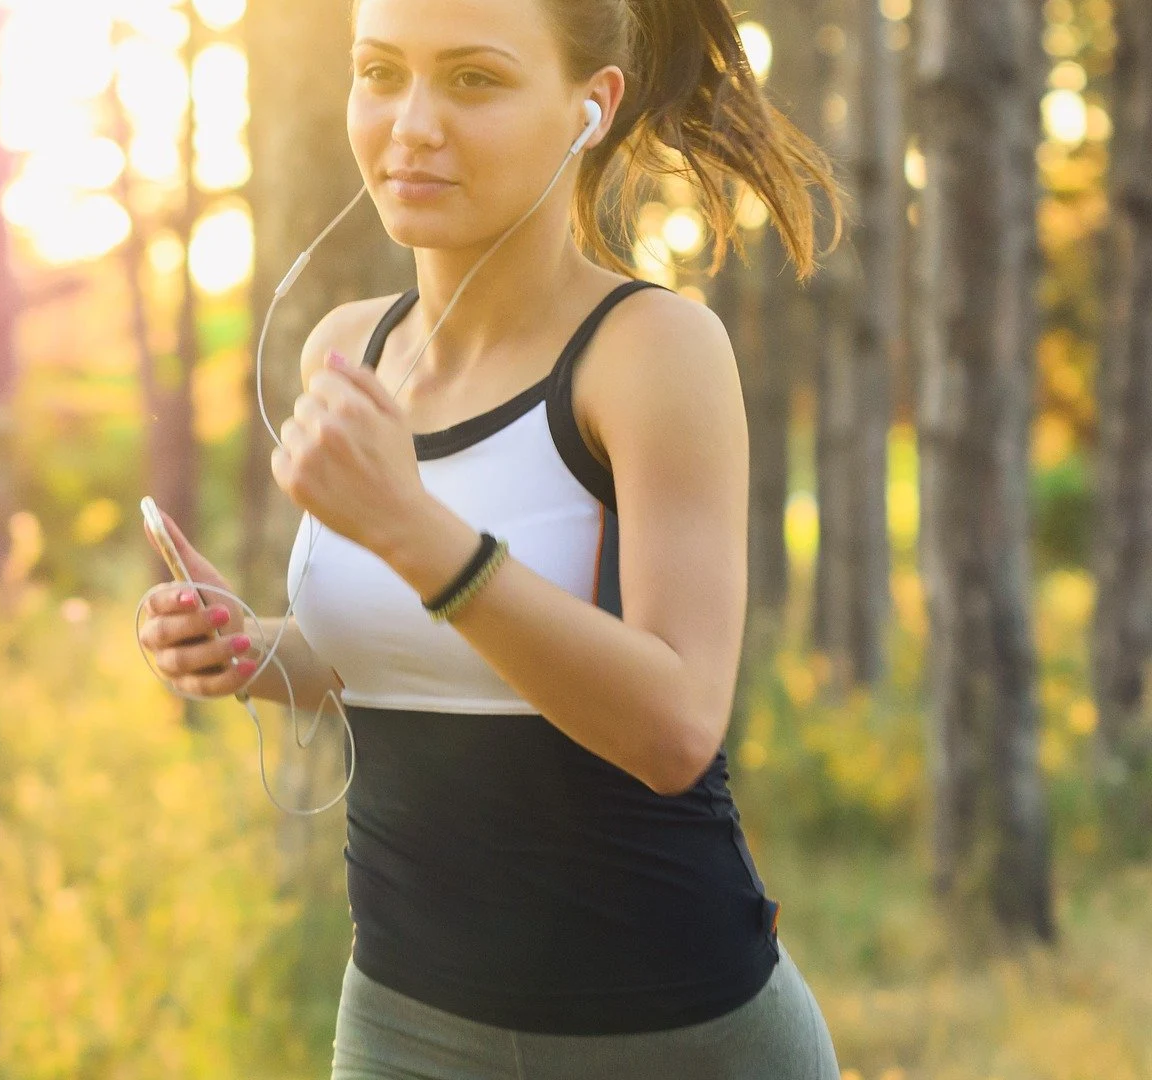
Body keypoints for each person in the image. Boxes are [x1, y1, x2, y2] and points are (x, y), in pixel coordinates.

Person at [137, 0, 848, 1075]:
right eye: (380, 72)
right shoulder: (346, 351)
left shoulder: (653, 351)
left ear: (589, 106)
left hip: (676, 1032)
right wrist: (252, 652)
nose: (411, 123)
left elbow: (675, 727)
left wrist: (419, 535)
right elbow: (400, 659)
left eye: (472, 79)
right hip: (405, 1023)